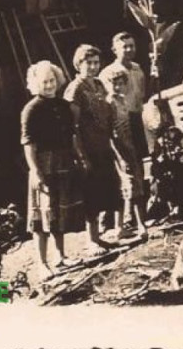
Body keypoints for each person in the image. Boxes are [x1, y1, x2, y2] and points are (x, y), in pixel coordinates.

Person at [21, 60, 86, 279]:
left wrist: (78, 158)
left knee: (60, 213)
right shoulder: (31, 109)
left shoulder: (63, 106)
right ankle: (42, 263)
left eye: (52, 81)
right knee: (42, 216)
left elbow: (72, 136)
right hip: (43, 164)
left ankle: (60, 256)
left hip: (64, 162)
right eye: (44, 82)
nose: (49, 85)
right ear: (35, 83)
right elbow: (28, 144)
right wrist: (36, 172)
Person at [64, 45, 120, 251]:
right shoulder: (75, 89)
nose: (94, 67)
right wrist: (80, 154)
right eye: (89, 63)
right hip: (87, 148)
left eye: (96, 62)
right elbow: (73, 126)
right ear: (79, 64)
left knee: (105, 189)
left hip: (102, 145)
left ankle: (100, 235)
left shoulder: (98, 84)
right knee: (91, 195)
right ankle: (91, 239)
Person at [104, 63, 148, 240]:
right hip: (119, 149)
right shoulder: (109, 103)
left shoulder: (123, 100)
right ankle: (138, 225)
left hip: (129, 145)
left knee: (133, 184)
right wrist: (119, 155)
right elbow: (110, 132)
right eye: (113, 83)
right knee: (130, 186)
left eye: (120, 83)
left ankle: (123, 226)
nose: (117, 87)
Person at [100, 33, 149, 158]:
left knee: (146, 155)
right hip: (123, 122)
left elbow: (142, 93)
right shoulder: (108, 73)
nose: (129, 50)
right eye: (124, 47)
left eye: (131, 46)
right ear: (114, 50)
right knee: (132, 158)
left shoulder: (137, 68)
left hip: (140, 117)